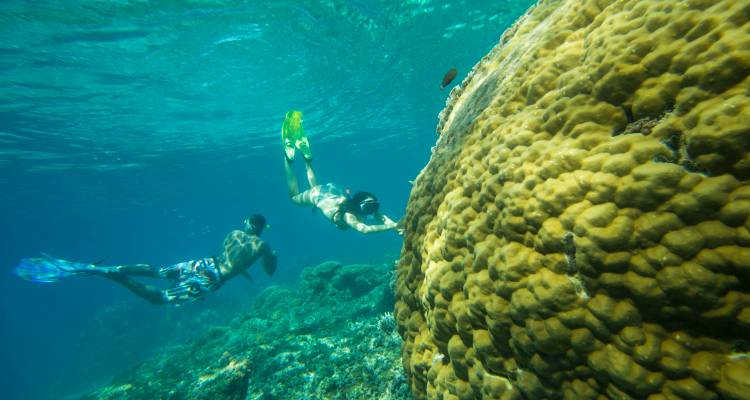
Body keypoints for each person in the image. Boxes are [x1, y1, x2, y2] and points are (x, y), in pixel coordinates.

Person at [15, 214, 277, 305]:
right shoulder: (262, 244)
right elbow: (269, 271)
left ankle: (113, 267)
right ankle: (116, 276)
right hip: (215, 277)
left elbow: (231, 257)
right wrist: (271, 257)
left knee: (160, 271)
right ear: (262, 228)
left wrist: (241, 268)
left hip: (204, 263)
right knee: (161, 299)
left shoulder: (233, 233)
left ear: (247, 223)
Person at [281, 110, 401, 234]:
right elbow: (365, 229)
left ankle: (307, 160)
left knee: (315, 188)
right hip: (320, 195)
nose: (372, 211)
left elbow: (380, 217)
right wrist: (393, 226)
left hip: (330, 191)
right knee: (294, 198)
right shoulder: (348, 216)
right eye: (370, 207)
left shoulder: (363, 207)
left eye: (373, 207)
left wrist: (396, 225)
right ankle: (288, 160)